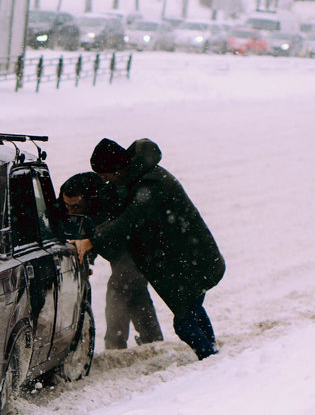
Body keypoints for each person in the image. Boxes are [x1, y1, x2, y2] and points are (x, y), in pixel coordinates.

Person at [73, 138, 224, 360]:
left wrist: (92, 241)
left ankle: (210, 359)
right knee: (191, 309)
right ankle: (213, 353)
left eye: (106, 176)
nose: (106, 181)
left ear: (117, 169)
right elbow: (112, 206)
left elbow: (129, 219)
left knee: (184, 323)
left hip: (195, 260)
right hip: (187, 260)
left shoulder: (152, 184)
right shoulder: (135, 179)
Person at [60, 171, 164, 350]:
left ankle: (115, 346)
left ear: (90, 200)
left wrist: (91, 246)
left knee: (120, 289)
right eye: (66, 205)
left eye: (76, 206)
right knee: (136, 293)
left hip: (134, 248)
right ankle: (153, 341)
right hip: (118, 250)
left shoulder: (108, 203)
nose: (70, 211)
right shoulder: (68, 197)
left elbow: (108, 234)